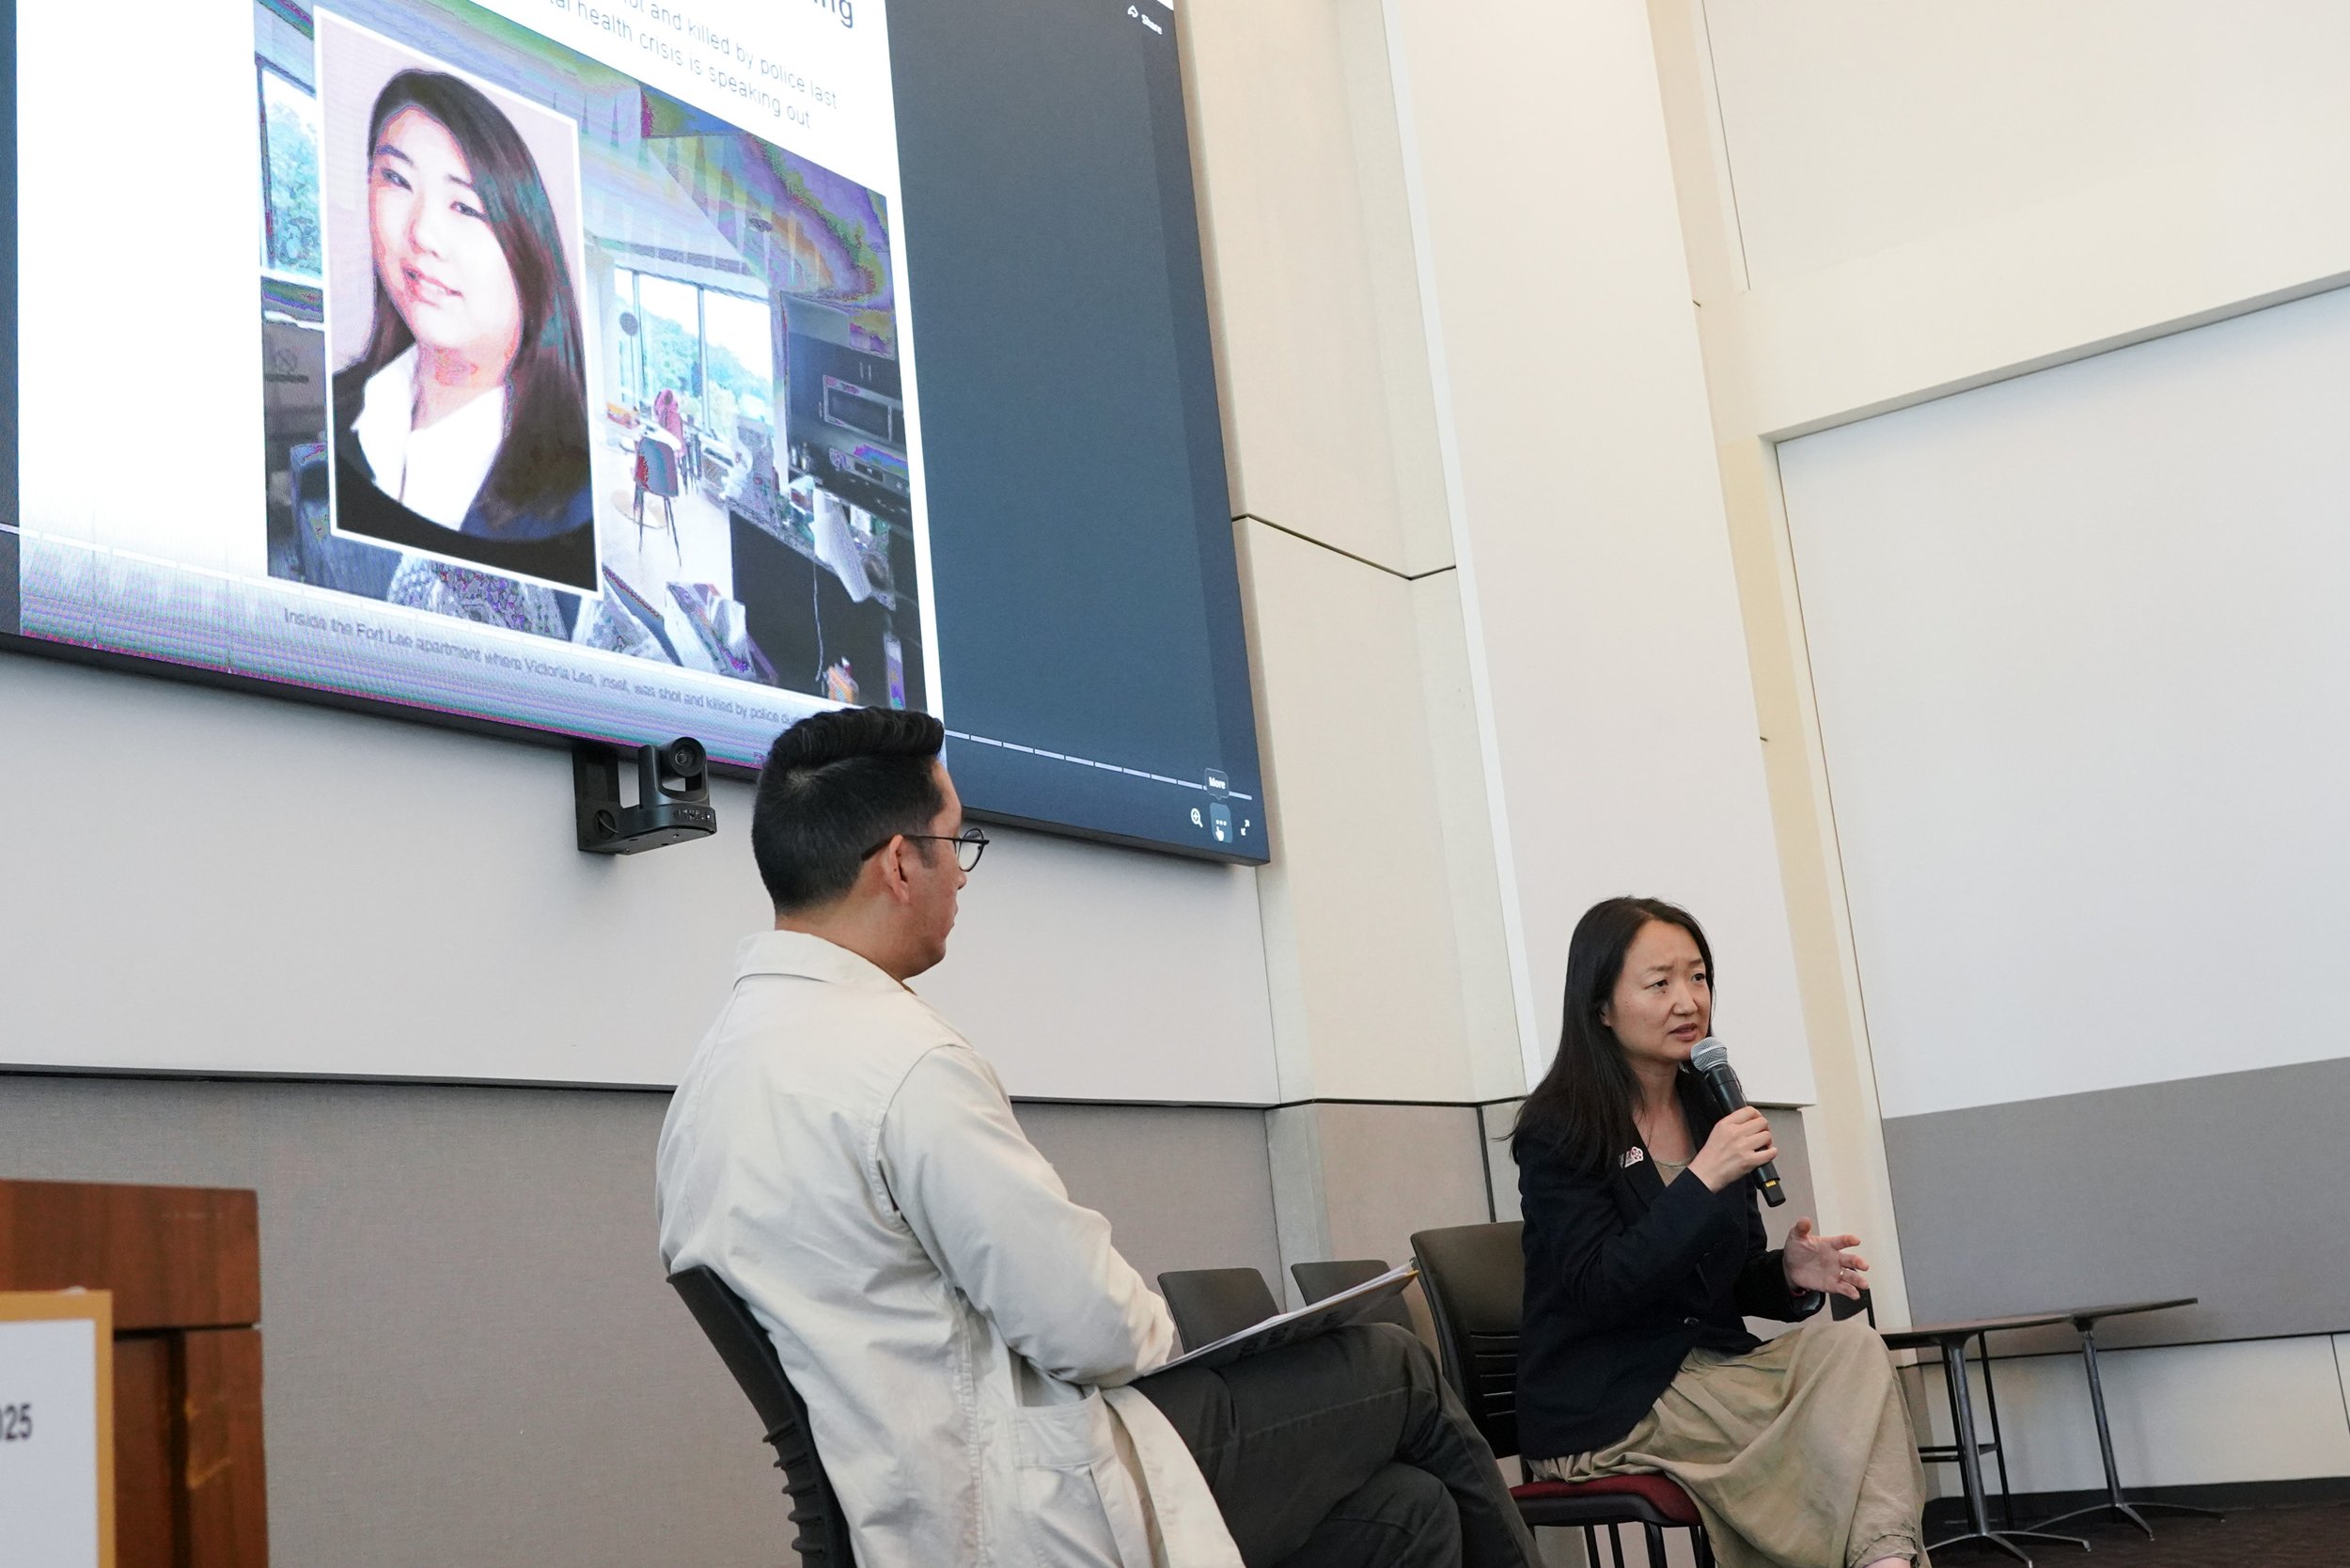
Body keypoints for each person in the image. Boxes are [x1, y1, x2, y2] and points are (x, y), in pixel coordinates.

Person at [656, 709, 1538, 1568]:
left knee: (1404, 1515)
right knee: (1394, 1366)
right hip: (1011, 1505)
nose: (961, 878)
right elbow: (1090, 1329)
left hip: (897, 1510)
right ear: (898, 864)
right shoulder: (903, 1063)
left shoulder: (709, 1085)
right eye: (956, 846)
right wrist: (1168, 1337)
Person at [1512, 897, 1930, 1568]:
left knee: (1852, 1353)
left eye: (1699, 977)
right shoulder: (1560, 1129)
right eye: (1660, 983)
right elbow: (1602, 1287)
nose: (1688, 1001)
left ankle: (1883, 1562)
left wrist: (1788, 1273)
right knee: (1826, 1438)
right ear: (1602, 1007)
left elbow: (1720, 1284)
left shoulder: (1713, 1105)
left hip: (1709, 1374)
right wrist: (1702, 1179)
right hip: (1611, 1399)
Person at [329, 69, 595, 590]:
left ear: (531, 256)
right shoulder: (342, 405)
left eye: (466, 206)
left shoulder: (575, 508)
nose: (423, 233)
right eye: (397, 180)